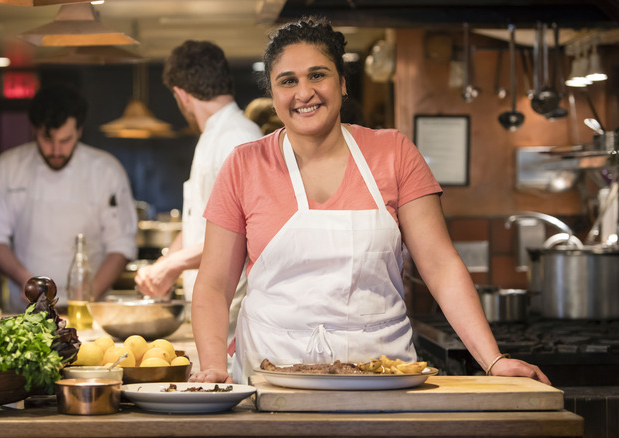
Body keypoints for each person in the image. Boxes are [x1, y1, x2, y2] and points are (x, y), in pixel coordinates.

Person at [188, 17, 550, 385]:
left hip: (381, 377)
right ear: (273, 92)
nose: (304, 92)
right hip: (269, 377)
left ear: (342, 83)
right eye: (288, 81)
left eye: (318, 75)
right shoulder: (245, 165)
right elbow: (215, 284)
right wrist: (214, 367)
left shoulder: (393, 152)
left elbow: (440, 266)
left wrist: (493, 360)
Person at [134, 41, 263, 366]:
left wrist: (171, 266)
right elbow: (199, 225)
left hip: (233, 320)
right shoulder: (212, 137)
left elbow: (244, 236)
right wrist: (162, 266)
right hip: (211, 315)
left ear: (181, 94)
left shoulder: (238, 138)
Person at [0, 84, 138, 314]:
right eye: (47, 139)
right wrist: (30, 286)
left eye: (65, 140)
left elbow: (121, 244)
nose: (55, 150)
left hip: (91, 311)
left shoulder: (106, 170)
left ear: (79, 131)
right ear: (34, 129)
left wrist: (86, 298)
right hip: (25, 308)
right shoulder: (7, 168)